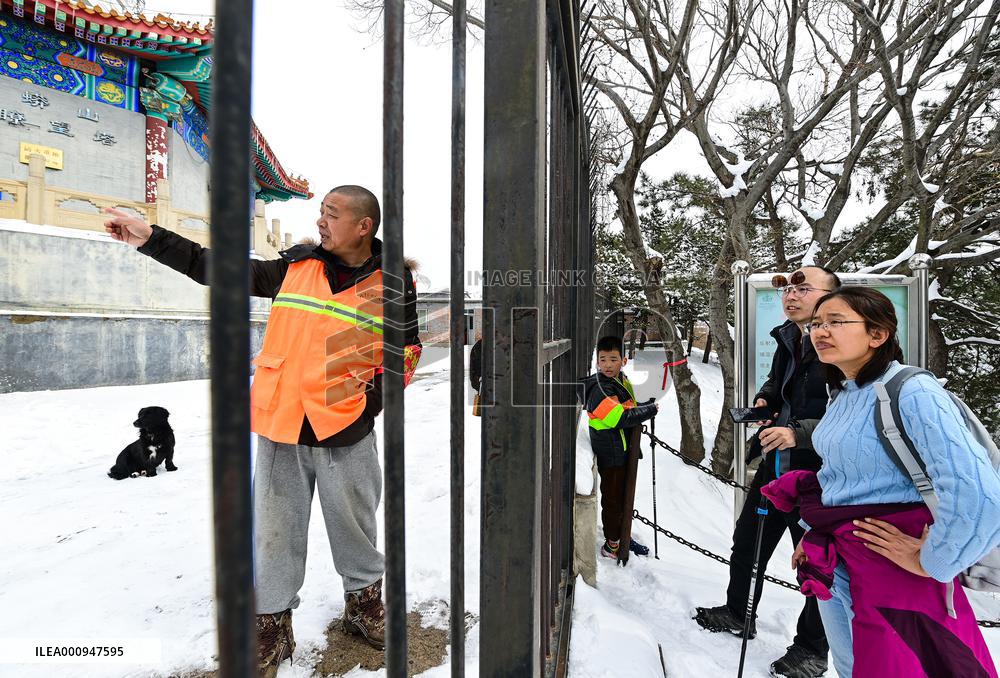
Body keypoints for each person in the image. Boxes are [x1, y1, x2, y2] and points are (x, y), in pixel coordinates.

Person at [103, 185, 422, 677]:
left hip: (347, 427)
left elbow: (406, 353)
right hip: (281, 423)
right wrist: (150, 239)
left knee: (355, 524)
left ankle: (364, 602)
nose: (320, 221)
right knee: (275, 531)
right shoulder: (294, 268)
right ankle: (272, 624)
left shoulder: (394, 284)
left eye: (331, 214)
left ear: (364, 226)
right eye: (321, 212)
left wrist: (366, 407)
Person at [779, 286, 1000, 677]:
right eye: (816, 323)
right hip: (842, 558)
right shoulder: (845, 392)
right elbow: (844, 476)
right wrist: (813, 532)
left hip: (896, 567)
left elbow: (979, 494)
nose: (820, 331)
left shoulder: (913, 390)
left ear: (877, 335)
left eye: (835, 322)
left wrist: (934, 561)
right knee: (853, 667)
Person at [694, 267, 838, 678]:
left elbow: (852, 413)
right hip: (777, 463)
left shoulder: (841, 347)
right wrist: (764, 399)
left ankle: (812, 650)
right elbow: (779, 383)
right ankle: (739, 612)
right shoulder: (788, 338)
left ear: (832, 296)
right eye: (788, 288)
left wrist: (799, 433)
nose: (791, 294)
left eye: (803, 287)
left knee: (815, 561)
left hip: (820, 475)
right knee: (748, 541)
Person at [580, 335, 658, 560]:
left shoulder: (620, 381)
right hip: (611, 453)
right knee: (613, 500)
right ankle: (612, 544)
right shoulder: (600, 388)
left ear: (623, 361)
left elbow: (628, 406)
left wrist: (644, 405)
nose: (607, 364)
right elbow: (618, 418)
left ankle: (622, 535)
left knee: (623, 497)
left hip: (620, 449)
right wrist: (650, 410)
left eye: (613, 359)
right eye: (603, 359)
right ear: (597, 361)